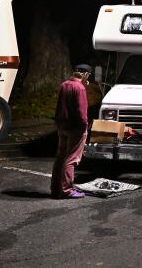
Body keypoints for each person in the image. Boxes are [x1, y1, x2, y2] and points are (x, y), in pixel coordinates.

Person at [50, 65, 91, 199]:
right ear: (85, 74)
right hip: (76, 128)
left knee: (61, 155)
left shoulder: (64, 84)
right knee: (72, 158)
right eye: (88, 75)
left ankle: (55, 188)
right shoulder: (80, 88)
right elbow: (81, 112)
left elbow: (58, 107)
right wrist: (85, 126)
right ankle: (67, 190)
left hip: (62, 126)